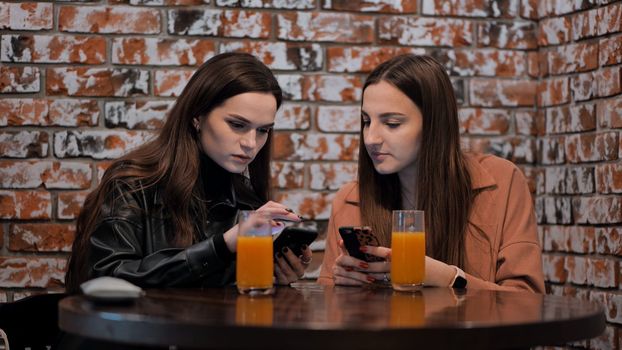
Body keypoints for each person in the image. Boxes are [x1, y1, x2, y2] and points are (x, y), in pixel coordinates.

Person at [65, 53, 312, 294]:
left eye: (263, 130)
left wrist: (274, 279)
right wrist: (222, 246)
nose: (250, 143)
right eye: (237, 125)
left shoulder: (248, 202)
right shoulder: (133, 185)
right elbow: (103, 278)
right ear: (197, 117)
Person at [318, 54, 545, 293]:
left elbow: (527, 302)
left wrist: (449, 278)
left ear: (434, 125)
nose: (370, 139)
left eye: (392, 123)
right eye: (366, 121)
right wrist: (342, 287)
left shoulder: (502, 182)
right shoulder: (350, 200)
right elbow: (328, 311)